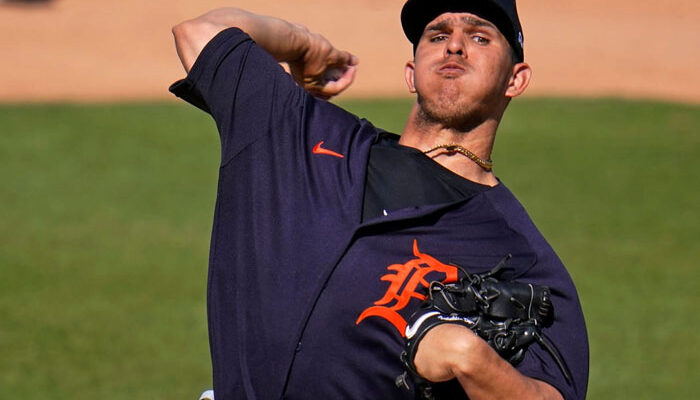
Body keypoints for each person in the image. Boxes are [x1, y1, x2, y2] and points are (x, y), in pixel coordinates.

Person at [169, 1, 589, 399]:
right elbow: (201, 33)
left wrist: (473, 360)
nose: (455, 45)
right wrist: (304, 45)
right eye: (437, 35)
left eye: (480, 37)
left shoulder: (520, 254)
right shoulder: (299, 132)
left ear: (516, 79)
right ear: (411, 73)